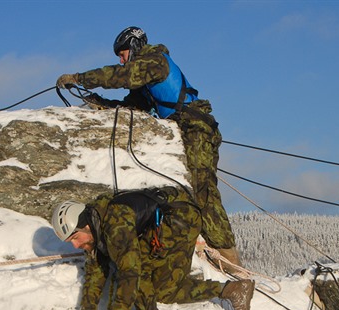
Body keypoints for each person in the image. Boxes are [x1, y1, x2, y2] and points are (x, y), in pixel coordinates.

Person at [55, 26, 244, 275]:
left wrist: (81, 78)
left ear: (134, 47)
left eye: (122, 54)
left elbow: (122, 76)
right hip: (184, 128)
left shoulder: (155, 62)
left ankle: (229, 257)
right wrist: (101, 103)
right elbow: (132, 105)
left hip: (196, 125)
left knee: (202, 189)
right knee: (191, 189)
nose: (121, 59)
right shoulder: (144, 81)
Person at [51, 186, 255, 310]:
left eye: (75, 237)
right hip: (175, 216)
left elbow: (130, 272)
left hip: (178, 218)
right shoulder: (97, 228)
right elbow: (96, 273)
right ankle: (233, 290)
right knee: (166, 292)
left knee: (139, 272)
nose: (77, 245)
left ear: (84, 224)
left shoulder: (114, 224)